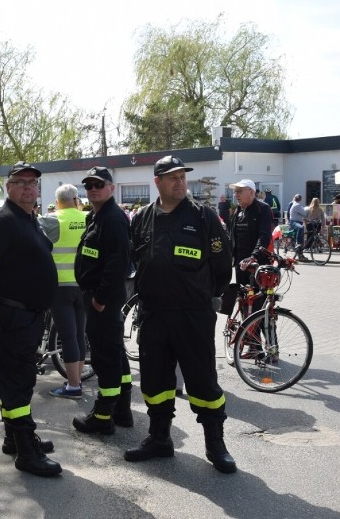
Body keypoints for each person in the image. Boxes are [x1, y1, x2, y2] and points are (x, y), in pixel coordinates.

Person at [125, 155, 236, 473]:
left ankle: (216, 445)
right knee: (155, 382)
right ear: (157, 182)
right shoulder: (142, 218)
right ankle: (159, 439)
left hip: (192, 316)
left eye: (182, 176)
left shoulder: (204, 217)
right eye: (171, 177)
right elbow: (137, 258)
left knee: (203, 384)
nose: (179, 181)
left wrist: (203, 298)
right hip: (154, 315)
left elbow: (221, 266)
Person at [0, 161, 61, 477]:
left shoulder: (28, 218)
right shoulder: (3, 221)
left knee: (15, 377)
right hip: (11, 314)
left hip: (26, 314)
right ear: (8, 188)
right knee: (19, 380)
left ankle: (13, 437)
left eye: (33, 182)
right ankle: (26, 450)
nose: (28, 187)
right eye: (21, 182)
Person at [72, 166, 133, 435]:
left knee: (105, 357)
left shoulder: (113, 219)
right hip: (97, 297)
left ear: (111, 187)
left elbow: (117, 263)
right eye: (89, 185)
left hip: (102, 299)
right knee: (115, 353)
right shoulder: (95, 217)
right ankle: (122, 410)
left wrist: (100, 297)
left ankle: (102, 415)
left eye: (99, 184)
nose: (93, 189)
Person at [37, 184, 88, 399]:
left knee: (67, 337)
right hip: (84, 286)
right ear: (76, 200)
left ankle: (74, 386)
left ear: (57, 202)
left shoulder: (51, 220)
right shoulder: (89, 218)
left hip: (60, 287)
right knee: (79, 335)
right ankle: (76, 377)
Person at [228, 179, 272, 285]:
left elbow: (264, 235)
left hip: (256, 262)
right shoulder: (238, 210)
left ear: (251, 192)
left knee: (257, 298)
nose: (236, 195)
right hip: (240, 263)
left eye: (239, 191)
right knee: (242, 296)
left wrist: (254, 256)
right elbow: (232, 236)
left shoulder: (263, 208)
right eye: (235, 192)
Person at [289, 193, 309, 261]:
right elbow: (304, 213)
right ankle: (298, 243)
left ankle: (300, 255)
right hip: (294, 222)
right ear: (300, 199)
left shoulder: (295, 204)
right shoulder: (297, 205)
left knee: (302, 240)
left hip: (296, 222)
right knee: (301, 228)